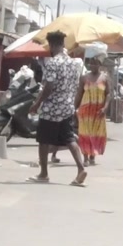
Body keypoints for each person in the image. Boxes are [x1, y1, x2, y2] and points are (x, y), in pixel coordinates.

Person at [30, 31, 88, 185]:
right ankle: (81, 169)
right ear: (63, 44)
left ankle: (43, 173)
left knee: (43, 140)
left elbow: (48, 87)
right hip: (67, 107)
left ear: (52, 45)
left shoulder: (53, 63)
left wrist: (37, 104)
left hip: (52, 108)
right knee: (69, 138)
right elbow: (76, 86)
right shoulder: (73, 64)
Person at [78, 59, 109, 162]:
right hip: (85, 111)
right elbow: (79, 94)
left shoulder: (105, 78)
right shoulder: (83, 78)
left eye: (95, 63)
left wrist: (105, 108)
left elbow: (108, 94)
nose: (93, 65)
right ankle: (85, 157)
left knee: (96, 133)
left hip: (99, 111)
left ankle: (93, 155)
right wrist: (74, 108)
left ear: (100, 64)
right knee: (85, 133)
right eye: (91, 63)